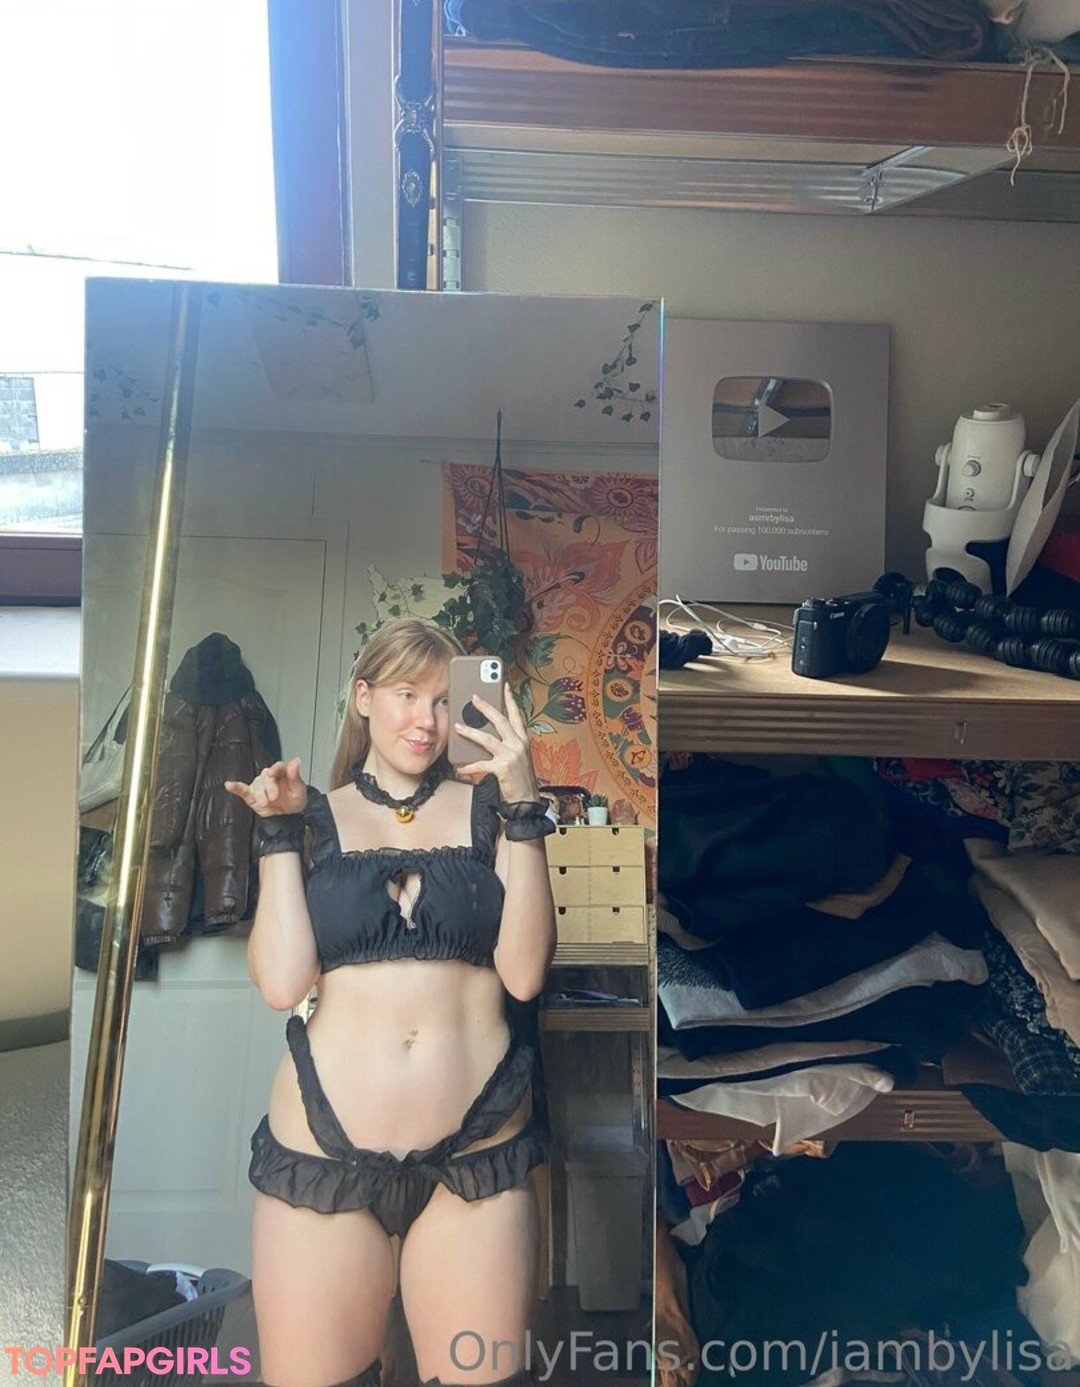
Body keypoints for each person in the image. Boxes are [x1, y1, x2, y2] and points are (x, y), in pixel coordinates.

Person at [224, 618, 557, 1387]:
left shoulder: (490, 811)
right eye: (408, 694)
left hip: (476, 1156)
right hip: (324, 1156)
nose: (428, 720)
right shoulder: (312, 815)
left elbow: (524, 973)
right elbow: (282, 983)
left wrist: (525, 805)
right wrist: (277, 834)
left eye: (443, 700)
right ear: (364, 696)